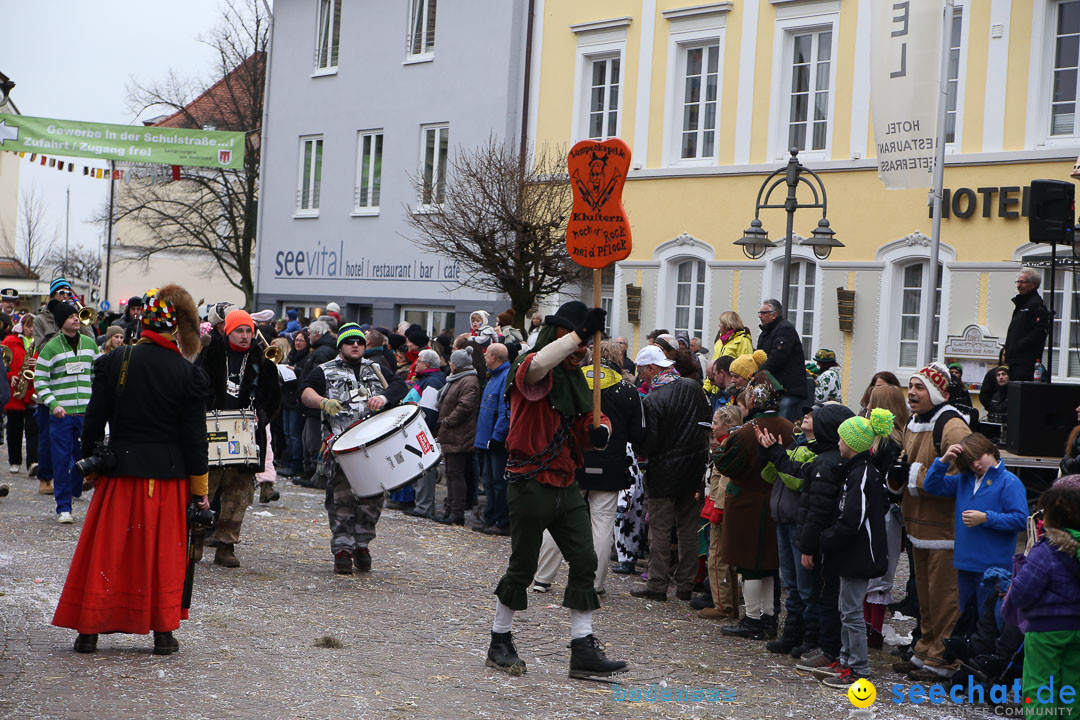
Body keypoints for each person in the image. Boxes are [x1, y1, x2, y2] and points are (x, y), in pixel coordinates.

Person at [51, 284, 208, 656]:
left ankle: (89, 631)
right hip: (168, 480)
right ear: (175, 329)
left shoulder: (116, 360)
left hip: (119, 475)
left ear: (143, 323)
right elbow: (195, 439)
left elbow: (93, 419)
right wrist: (199, 489)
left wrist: (90, 466)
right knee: (162, 557)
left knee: (107, 553)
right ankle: (163, 634)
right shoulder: (187, 375)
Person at [485, 301, 626, 680]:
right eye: (576, 344)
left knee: (585, 561)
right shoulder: (528, 367)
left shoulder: (577, 381)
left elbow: (593, 421)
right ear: (560, 336)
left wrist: (601, 433)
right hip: (531, 486)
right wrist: (580, 334)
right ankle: (500, 640)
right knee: (523, 567)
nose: (581, 353)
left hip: (567, 485)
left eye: (585, 347)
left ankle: (583, 647)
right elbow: (538, 366)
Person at [532, 341, 645, 595]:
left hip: (572, 461)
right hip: (610, 463)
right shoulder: (627, 390)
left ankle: (543, 577)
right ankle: (593, 583)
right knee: (602, 525)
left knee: (559, 518)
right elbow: (638, 434)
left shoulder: (572, 382)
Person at [300, 323, 409, 574]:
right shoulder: (324, 370)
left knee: (372, 500)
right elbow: (304, 391)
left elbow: (400, 386)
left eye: (359, 341)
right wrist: (323, 401)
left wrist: (384, 397)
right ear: (341, 346)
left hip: (375, 449)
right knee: (341, 501)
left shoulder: (376, 368)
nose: (356, 345)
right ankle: (342, 549)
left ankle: (362, 545)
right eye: (350, 342)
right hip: (342, 450)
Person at [887, 364, 972, 681]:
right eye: (910, 386)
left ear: (937, 393)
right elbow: (906, 465)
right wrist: (895, 477)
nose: (911, 392)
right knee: (925, 598)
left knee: (945, 599)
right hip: (918, 526)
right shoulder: (913, 423)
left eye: (919, 387)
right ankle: (925, 652)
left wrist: (912, 476)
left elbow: (963, 476)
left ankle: (944, 660)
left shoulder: (952, 426)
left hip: (944, 530)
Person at [813, 411, 893, 690]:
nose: (838, 444)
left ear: (854, 444)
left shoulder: (861, 474)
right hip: (852, 552)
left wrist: (827, 538)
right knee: (845, 607)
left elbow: (853, 519)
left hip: (859, 554)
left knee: (851, 612)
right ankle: (846, 661)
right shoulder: (855, 471)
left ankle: (859, 668)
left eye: (842, 439)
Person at [195, 309, 281, 568]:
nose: (244, 336)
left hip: (246, 438)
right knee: (204, 489)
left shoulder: (263, 361)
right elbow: (196, 386)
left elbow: (273, 398)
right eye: (238, 331)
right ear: (228, 331)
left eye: (248, 331)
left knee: (238, 492)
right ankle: (196, 539)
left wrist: (261, 416)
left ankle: (226, 544)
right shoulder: (211, 355)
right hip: (213, 431)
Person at [713, 371, 794, 640]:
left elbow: (726, 465)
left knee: (750, 566)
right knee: (769, 564)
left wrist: (717, 449)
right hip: (777, 503)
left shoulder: (747, 432)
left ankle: (752, 618)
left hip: (747, 504)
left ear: (753, 397)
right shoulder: (788, 427)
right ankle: (769, 618)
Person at [630, 344, 710, 602]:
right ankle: (686, 583)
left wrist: (638, 444)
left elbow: (650, 444)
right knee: (688, 527)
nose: (640, 375)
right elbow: (706, 424)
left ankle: (657, 583)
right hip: (694, 465)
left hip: (664, 469)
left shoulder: (653, 399)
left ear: (652, 368)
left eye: (642, 370)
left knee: (661, 529)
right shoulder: (693, 387)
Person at [923, 433, 1028, 616]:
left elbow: (1020, 519)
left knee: (988, 621)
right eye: (970, 463)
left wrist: (986, 518)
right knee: (968, 618)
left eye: (978, 458)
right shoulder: (965, 480)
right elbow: (931, 486)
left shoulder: (1009, 482)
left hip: (993, 566)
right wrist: (943, 461)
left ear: (990, 451)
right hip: (965, 563)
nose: (976, 465)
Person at [1001, 476, 1080, 716]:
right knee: (1072, 687)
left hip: (1045, 630)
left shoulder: (1046, 549)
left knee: (1040, 688)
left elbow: (1023, 593)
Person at [33, 278, 95, 507]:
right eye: (61, 292)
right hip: (54, 398)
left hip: (80, 406)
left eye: (68, 292)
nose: (65, 295)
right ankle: (46, 479)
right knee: (52, 445)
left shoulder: (80, 325)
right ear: (52, 295)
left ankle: (74, 484)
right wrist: (61, 336)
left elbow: (92, 347)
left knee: (80, 450)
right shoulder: (42, 319)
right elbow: (41, 348)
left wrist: (80, 318)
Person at [697, 404, 744, 621]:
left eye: (716, 423)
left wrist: (718, 507)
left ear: (727, 424)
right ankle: (729, 603)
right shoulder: (733, 443)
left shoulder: (727, 446)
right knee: (727, 559)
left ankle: (723, 605)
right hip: (723, 505)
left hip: (721, 507)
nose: (712, 428)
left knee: (717, 558)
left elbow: (724, 480)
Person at [433, 347, 481, 525]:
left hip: (460, 434)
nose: (450, 363)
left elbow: (465, 407)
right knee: (451, 473)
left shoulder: (467, 381)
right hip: (453, 433)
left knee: (456, 473)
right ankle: (450, 508)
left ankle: (456, 512)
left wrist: (447, 421)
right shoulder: (457, 379)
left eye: (452, 361)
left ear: (458, 364)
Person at [473, 343, 512, 535]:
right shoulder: (494, 376)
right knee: (488, 481)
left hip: (495, 441)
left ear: (495, 358)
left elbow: (505, 412)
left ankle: (502, 520)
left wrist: (497, 437)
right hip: (487, 439)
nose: (484, 357)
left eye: (487, 355)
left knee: (498, 482)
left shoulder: (504, 378)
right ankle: (491, 516)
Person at [294, 320, 336, 485]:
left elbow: (317, 379)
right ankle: (309, 473)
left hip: (316, 404)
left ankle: (315, 475)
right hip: (315, 404)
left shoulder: (323, 352)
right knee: (308, 439)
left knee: (313, 441)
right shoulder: (322, 349)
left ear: (317, 333)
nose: (308, 336)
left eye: (310, 333)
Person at [407, 348, 446, 519]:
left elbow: (429, 412)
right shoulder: (427, 379)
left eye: (420, 361)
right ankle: (420, 504)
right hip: (417, 429)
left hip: (422, 431)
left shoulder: (432, 382)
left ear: (427, 364)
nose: (417, 364)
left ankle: (424, 506)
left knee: (424, 469)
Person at [756, 300, 807, 422]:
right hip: (776, 390)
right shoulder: (766, 332)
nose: (760, 316)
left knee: (784, 425)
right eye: (760, 312)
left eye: (764, 313)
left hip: (789, 389)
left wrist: (758, 373)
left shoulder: (784, 329)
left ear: (774, 314)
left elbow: (778, 357)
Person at [1003, 268, 1049, 382]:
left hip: (1026, 362)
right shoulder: (1022, 303)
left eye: (1023, 282)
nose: (1019, 285)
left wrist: (1019, 345)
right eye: (1018, 282)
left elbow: (1040, 330)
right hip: (1015, 360)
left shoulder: (1035, 304)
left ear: (1033, 285)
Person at [4, 318, 37, 478]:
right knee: (14, 428)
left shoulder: (39, 342)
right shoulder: (10, 341)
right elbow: (4, 363)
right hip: (16, 390)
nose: (31, 330)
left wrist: (35, 363)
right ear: (22, 326)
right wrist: (10, 376)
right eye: (28, 326)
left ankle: (33, 462)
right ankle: (14, 461)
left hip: (32, 390)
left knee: (33, 429)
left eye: (33, 327)